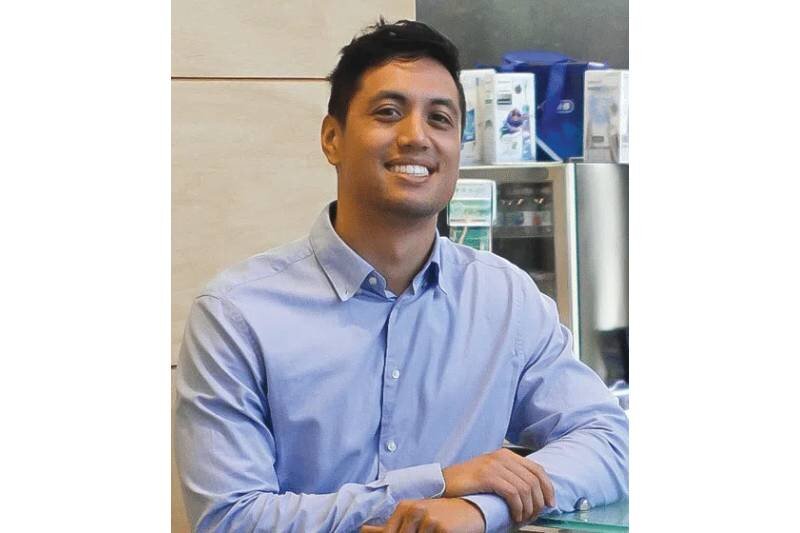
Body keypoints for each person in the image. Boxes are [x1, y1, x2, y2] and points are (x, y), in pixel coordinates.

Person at [174, 18, 628, 533]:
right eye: (388, 112)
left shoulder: (505, 299)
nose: (416, 137)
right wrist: (436, 484)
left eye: (440, 119)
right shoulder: (237, 314)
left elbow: (608, 439)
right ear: (332, 139)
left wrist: (479, 507)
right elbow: (230, 519)